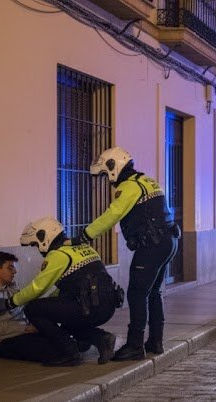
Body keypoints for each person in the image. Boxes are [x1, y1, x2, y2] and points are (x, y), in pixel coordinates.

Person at [73, 146, 179, 361]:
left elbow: (112, 215)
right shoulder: (147, 181)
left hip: (152, 245)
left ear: (114, 167)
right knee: (153, 293)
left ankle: (134, 345)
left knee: (137, 294)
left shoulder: (129, 187)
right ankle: (155, 341)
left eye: (106, 174)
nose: (108, 180)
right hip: (168, 241)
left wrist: (85, 235)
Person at [0, 218, 119, 366]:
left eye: (36, 244)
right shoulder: (83, 247)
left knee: (34, 309)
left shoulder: (58, 255)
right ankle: (101, 339)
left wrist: (9, 302)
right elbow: (69, 287)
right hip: (107, 306)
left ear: (44, 237)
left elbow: (37, 287)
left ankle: (70, 352)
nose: (38, 249)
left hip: (89, 307)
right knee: (64, 320)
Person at [0, 251, 58, 364]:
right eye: (10, 268)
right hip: (5, 341)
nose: (15, 271)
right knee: (50, 350)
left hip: (24, 332)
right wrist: (23, 328)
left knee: (59, 339)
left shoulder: (12, 287)